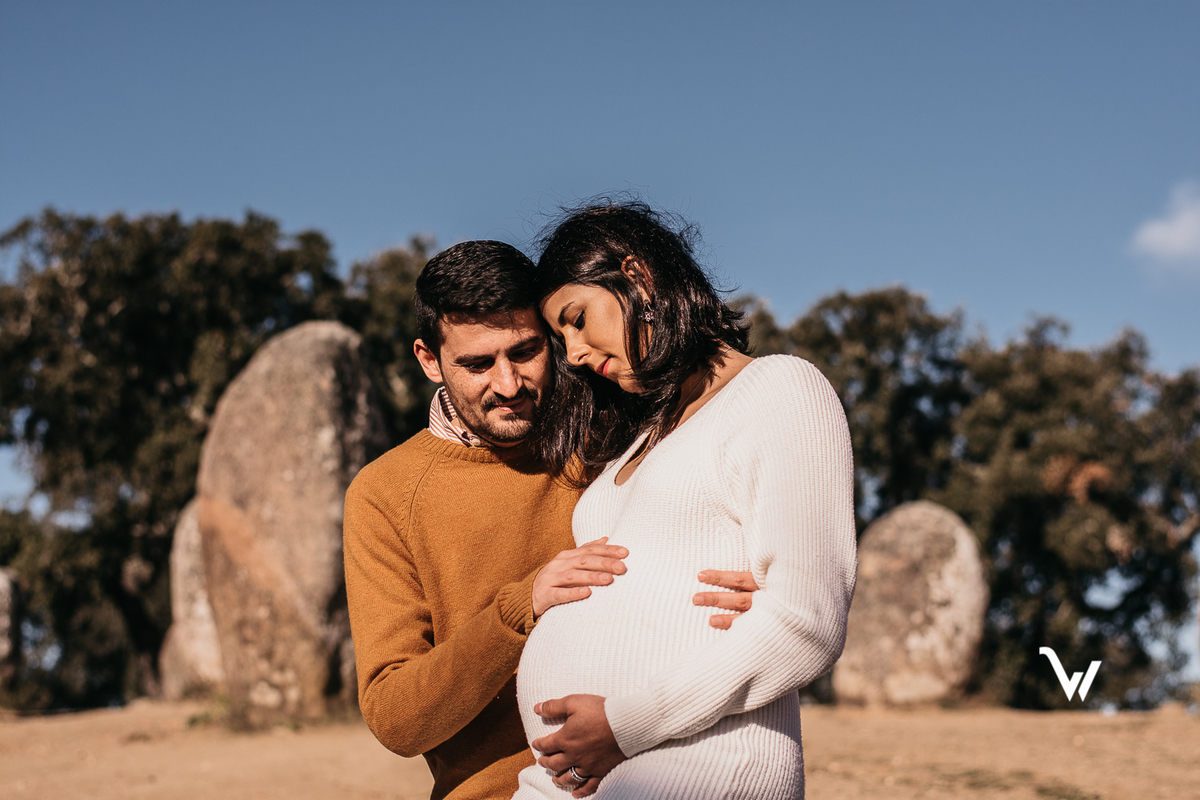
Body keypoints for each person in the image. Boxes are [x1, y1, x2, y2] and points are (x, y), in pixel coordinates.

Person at [343, 240, 755, 800]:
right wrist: (521, 608)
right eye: (478, 364)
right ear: (429, 360)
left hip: (658, 778)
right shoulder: (385, 494)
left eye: (525, 352)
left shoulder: (612, 435)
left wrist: (751, 587)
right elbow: (397, 718)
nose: (508, 384)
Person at [513, 201, 858, 799]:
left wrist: (625, 724)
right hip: (569, 778)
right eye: (559, 336)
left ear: (638, 278)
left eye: (577, 318)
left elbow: (807, 619)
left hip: (697, 767)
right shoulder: (637, 438)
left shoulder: (780, 390)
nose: (571, 353)